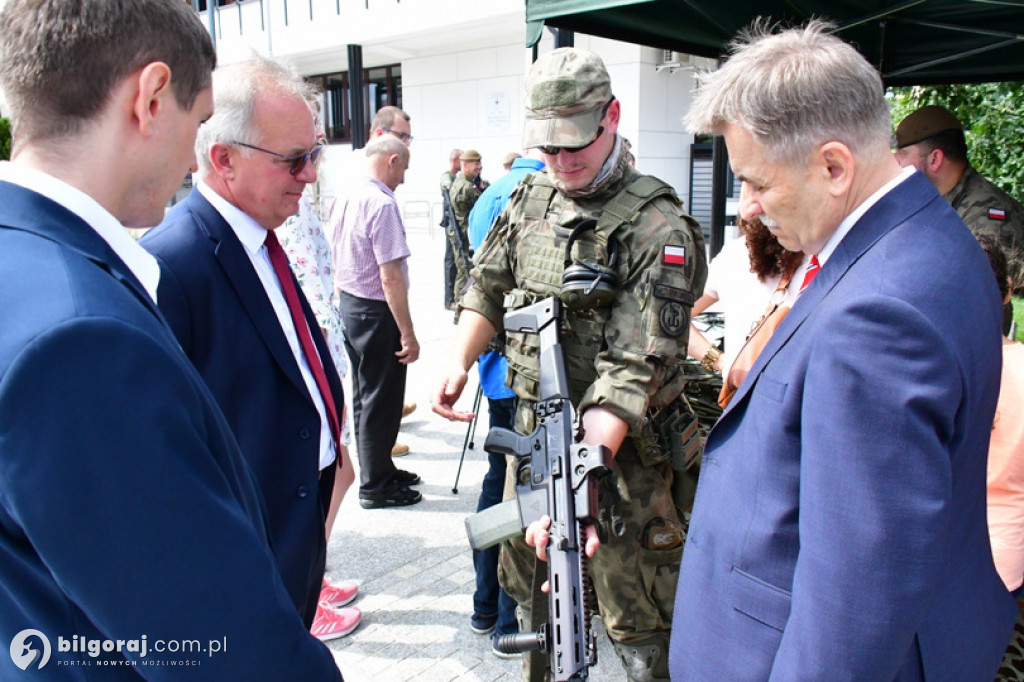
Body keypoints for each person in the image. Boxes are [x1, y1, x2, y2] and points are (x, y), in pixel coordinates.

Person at [0, 0, 342, 678]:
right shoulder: (80, 340)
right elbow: (226, 655)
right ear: (152, 97)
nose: (195, 148)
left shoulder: (25, 257)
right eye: (198, 112)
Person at [670, 21, 1016, 680]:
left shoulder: (878, 313)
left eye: (757, 183)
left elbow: (855, 594)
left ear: (833, 165)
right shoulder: (925, 239)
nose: (746, 208)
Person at [432, 47, 707, 682]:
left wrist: (577, 478)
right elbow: (487, 285)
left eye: (574, 145)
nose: (561, 161)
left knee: (637, 619)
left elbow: (635, 365)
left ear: (611, 116)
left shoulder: (657, 225)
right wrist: (457, 360)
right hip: (533, 439)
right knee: (535, 595)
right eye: (548, 148)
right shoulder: (531, 197)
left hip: (621, 456)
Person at [141, 56, 359, 641]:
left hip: (297, 515)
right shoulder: (172, 263)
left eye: (315, 154)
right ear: (223, 159)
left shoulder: (262, 235)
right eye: (295, 159)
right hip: (247, 536)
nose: (310, 175)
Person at [277, 124, 361, 618]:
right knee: (334, 473)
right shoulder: (287, 206)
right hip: (315, 359)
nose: (313, 163)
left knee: (339, 472)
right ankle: (304, 594)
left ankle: (313, 576)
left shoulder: (303, 198)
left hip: (324, 357)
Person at [464, 149, 545, 653]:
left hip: (496, 368)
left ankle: (487, 606)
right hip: (527, 377)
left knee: (500, 482)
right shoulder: (540, 197)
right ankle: (502, 614)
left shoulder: (486, 196)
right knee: (517, 490)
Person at [328, 136, 422, 509]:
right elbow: (391, 276)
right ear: (393, 160)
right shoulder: (382, 204)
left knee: (366, 396)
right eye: (404, 169)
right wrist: (408, 332)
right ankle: (376, 485)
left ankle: (378, 467)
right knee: (381, 399)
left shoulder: (347, 193)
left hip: (350, 304)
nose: (403, 179)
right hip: (374, 309)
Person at [894, 104, 1024, 333]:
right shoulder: (933, 202)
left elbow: (989, 299)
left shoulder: (988, 216)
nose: (896, 162)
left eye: (902, 155)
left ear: (935, 159)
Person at [687, 217, 807, 376]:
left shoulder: (735, 252)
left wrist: (723, 363)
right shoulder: (735, 254)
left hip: (740, 390)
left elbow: (675, 318)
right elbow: (677, 317)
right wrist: (722, 362)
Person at [448, 149, 488, 303]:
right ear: (465, 165)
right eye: (476, 164)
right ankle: (461, 303)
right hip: (463, 235)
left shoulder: (466, 182)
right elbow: (483, 201)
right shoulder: (466, 187)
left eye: (480, 164)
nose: (479, 167)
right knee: (465, 271)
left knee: (466, 269)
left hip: (465, 233)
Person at [442, 148, 464, 311]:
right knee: (451, 262)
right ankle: (449, 298)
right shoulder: (447, 177)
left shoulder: (454, 177)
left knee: (454, 262)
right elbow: (450, 189)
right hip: (452, 226)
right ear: (455, 160)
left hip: (455, 224)